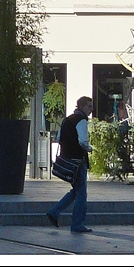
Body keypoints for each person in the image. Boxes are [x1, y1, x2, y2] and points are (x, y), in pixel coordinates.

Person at [45, 95, 94, 234]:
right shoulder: (81, 120)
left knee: (76, 191)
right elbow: (83, 141)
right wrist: (90, 148)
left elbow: (59, 138)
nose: (91, 109)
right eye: (89, 106)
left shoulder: (67, 119)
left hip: (67, 159)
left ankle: (54, 212)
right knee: (81, 194)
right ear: (82, 106)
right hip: (78, 161)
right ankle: (77, 224)